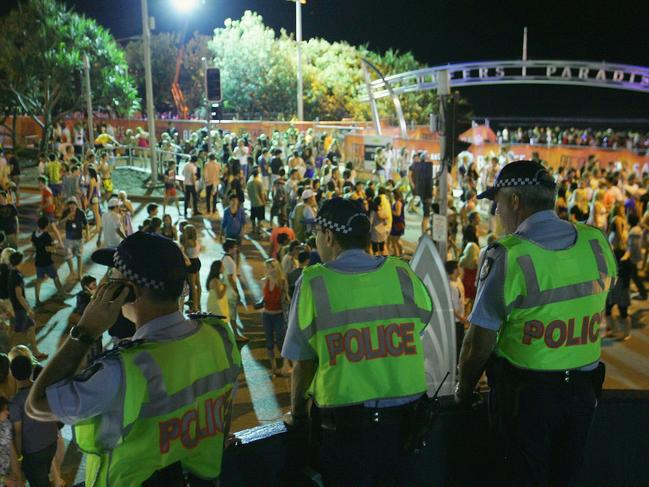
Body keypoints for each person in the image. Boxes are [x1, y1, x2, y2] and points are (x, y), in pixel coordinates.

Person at [25, 232, 241, 486]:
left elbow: (36, 405)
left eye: (112, 276)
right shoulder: (219, 335)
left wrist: (85, 331)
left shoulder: (122, 370)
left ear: (129, 290)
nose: (105, 281)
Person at [456, 160, 616, 487]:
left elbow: (477, 343)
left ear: (515, 201)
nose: (496, 212)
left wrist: (464, 390)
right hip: (583, 396)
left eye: (497, 203)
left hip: (527, 401)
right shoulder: (596, 242)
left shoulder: (509, 255)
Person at [282, 197, 433, 486]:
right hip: (407, 425)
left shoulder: (314, 282)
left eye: (316, 235)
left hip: (346, 431)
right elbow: (421, 323)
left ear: (328, 236)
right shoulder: (401, 272)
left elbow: (302, 364)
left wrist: (299, 416)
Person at [10, 356, 58, 487]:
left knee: (39, 482)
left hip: (34, 451)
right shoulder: (43, 388)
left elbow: (18, 432)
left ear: (12, 374)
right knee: (44, 476)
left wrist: (18, 456)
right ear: (31, 370)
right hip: (52, 442)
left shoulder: (15, 402)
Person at [7, 252, 47, 360]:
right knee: (18, 334)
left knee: (31, 327)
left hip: (18, 307)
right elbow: (19, 296)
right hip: (19, 309)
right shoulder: (17, 277)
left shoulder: (13, 273)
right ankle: (11, 355)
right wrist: (28, 309)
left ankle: (35, 352)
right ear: (20, 262)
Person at [261, 259, 290, 376]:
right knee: (269, 342)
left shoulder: (282, 282)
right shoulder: (263, 282)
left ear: (277, 267)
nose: (270, 269)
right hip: (267, 315)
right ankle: (273, 368)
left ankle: (285, 365)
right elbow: (264, 298)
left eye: (272, 267)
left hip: (278, 315)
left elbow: (286, 299)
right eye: (268, 267)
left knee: (281, 341)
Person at [30, 217, 66, 307]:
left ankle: (37, 300)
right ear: (46, 225)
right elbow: (49, 249)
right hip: (47, 261)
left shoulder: (34, 234)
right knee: (55, 277)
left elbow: (34, 246)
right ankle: (63, 294)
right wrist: (56, 247)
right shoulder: (46, 235)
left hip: (38, 260)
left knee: (38, 280)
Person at [222, 239, 247, 342]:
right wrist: (236, 290)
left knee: (230, 313)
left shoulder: (226, 258)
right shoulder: (228, 260)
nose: (236, 249)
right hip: (230, 290)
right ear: (230, 249)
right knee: (232, 314)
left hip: (226, 289)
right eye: (234, 247)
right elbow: (230, 277)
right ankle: (235, 335)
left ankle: (232, 334)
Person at [60, 197, 89, 281]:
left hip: (78, 238)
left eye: (73, 204)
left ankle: (79, 274)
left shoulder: (81, 213)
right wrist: (67, 217)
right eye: (70, 204)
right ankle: (72, 272)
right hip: (68, 238)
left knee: (79, 256)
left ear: (76, 205)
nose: (72, 206)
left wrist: (87, 234)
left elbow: (86, 224)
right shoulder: (66, 212)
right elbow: (60, 223)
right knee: (68, 256)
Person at [446, 260, 467, 362]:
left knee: (460, 342)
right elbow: (450, 307)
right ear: (454, 270)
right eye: (458, 267)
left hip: (460, 319)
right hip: (455, 321)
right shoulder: (450, 286)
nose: (460, 269)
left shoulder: (458, 280)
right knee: (457, 344)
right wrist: (461, 318)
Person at [180, 224, 202, 313]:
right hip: (196, 260)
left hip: (191, 263)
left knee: (192, 286)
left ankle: (194, 307)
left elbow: (182, 250)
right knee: (198, 284)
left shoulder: (188, 242)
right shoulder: (196, 241)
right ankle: (198, 303)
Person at [247, 168, 266, 235]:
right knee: (259, 218)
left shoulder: (249, 182)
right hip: (259, 202)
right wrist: (264, 202)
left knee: (253, 217)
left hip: (253, 202)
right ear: (257, 174)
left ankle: (253, 229)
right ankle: (258, 230)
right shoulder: (259, 182)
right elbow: (261, 194)